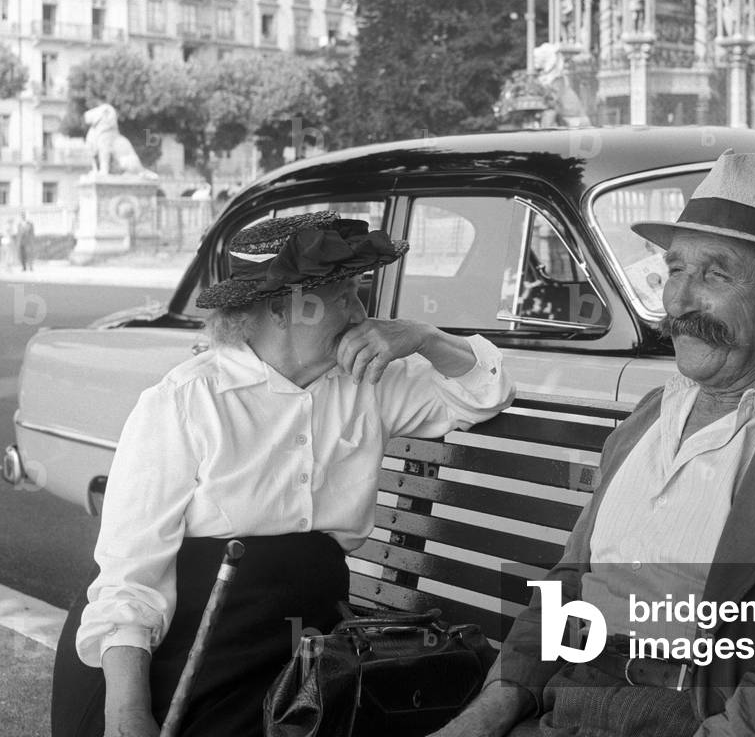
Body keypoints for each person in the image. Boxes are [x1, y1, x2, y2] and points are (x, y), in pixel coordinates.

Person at [433, 152, 755, 737]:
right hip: (572, 701)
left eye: (715, 275)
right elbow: (568, 584)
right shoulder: (651, 416)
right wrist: (494, 705)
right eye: (676, 269)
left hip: (694, 717)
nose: (678, 301)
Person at [51, 211, 515, 737]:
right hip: (179, 648)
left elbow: (485, 393)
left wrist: (424, 337)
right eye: (342, 296)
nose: (361, 313)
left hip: (300, 649)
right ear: (277, 309)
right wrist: (127, 713)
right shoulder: (185, 402)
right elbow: (128, 576)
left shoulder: (369, 383)